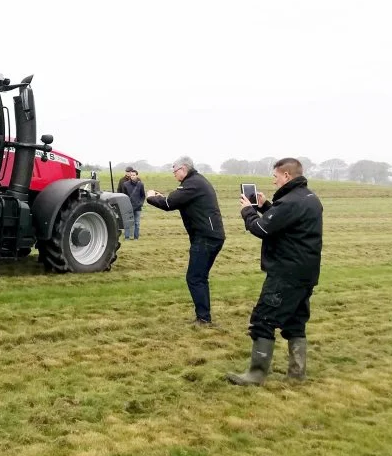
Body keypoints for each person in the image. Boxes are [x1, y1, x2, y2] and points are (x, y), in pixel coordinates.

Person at [227, 157, 324, 386]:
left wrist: (248, 211)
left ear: (287, 176)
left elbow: (261, 229)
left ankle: (256, 374)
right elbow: (286, 223)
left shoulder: (290, 202)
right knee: (295, 322)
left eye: (275, 177)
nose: (273, 181)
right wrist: (266, 207)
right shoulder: (310, 198)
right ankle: (297, 373)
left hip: (285, 273)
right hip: (306, 273)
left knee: (263, 320)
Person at [146, 156, 225, 326]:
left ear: (183, 169)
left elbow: (168, 203)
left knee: (195, 278)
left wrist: (151, 197)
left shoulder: (192, 183)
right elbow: (176, 199)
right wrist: (164, 197)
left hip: (205, 237)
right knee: (199, 277)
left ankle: (203, 318)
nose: (174, 174)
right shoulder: (196, 182)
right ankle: (204, 316)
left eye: (174, 171)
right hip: (209, 235)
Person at [117, 167, 145, 240]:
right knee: (127, 222)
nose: (132, 176)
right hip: (128, 206)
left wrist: (140, 203)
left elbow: (143, 195)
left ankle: (136, 238)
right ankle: (127, 237)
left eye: (134, 175)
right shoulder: (125, 184)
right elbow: (123, 194)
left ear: (137, 176)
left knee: (137, 223)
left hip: (138, 207)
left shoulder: (140, 184)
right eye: (131, 175)